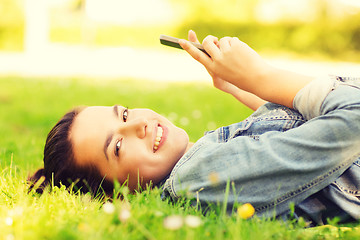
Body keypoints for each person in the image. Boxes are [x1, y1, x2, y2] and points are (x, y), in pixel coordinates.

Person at [29, 30, 360, 225]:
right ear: (118, 194)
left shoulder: (202, 162)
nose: (140, 125)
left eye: (125, 115)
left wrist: (240, 87)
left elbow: (302, 136)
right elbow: (352, 118)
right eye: (116, 147)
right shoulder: (198, 178)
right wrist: (262, 77)